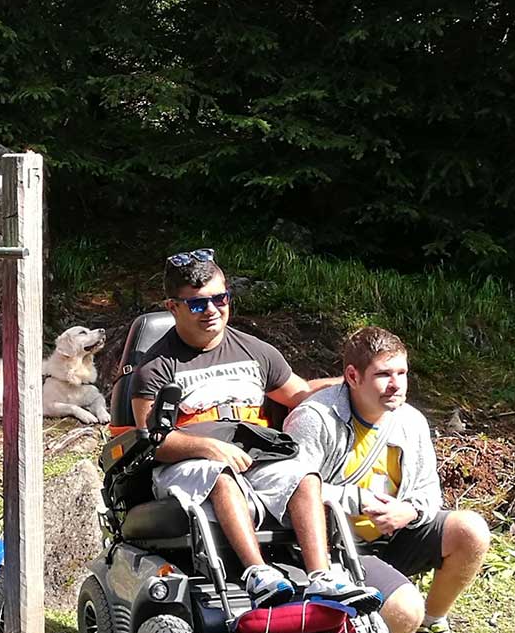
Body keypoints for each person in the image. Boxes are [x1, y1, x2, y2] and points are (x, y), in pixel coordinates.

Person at [128, 249, 380, 610]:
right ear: (174, 308)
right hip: (187, 466)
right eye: (198, 305)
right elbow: (154, 443)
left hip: (255, 457)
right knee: (221, 475)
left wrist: (359, 383)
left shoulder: (255, 351)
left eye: (220, 299)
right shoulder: (155, 367)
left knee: (304, 475)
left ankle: (322, 576)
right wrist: (208, 448)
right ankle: (258, 574)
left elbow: (300, 393)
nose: (212, 310)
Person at [285, 326, 490, 633]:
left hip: (391, 535)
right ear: (352, 375)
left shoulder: (410, 421)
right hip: (333, 549)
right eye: (383, 375)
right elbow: (287, 488)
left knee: (471, 530)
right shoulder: (314, 419)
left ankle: (431, 625)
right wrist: (358, 500)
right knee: (404, 611)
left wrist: (408, 511)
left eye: (402, 373)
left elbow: (429, 492)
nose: (396, 385)